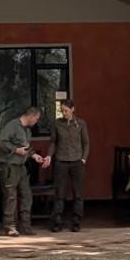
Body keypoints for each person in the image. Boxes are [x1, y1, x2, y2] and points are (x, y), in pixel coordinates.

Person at [0, 105, 42, 236]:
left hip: (21, 166)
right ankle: (10, 226)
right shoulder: (12, 126)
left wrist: (34, 156)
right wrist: (15, 150)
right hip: (9, 165)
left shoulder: (27, 131)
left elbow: (26, 148)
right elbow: (1, 142)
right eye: (36, 119)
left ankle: (25, 225)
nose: (36, 121)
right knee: (10, 196)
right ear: (31, 116)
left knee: (27, 195)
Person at [48, 98, 91, 233]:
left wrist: (83, 158)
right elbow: (53, 142)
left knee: (78, 192)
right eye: (62, 111)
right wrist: (49, 155)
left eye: (66, 111)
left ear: (72, 109)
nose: (64, 113)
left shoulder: (81, 124)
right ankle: (57, 220)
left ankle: (76, 220)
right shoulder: (57, 124)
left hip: (77, 161)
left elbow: (86, 142)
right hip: (61, 161)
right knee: (59, 192)